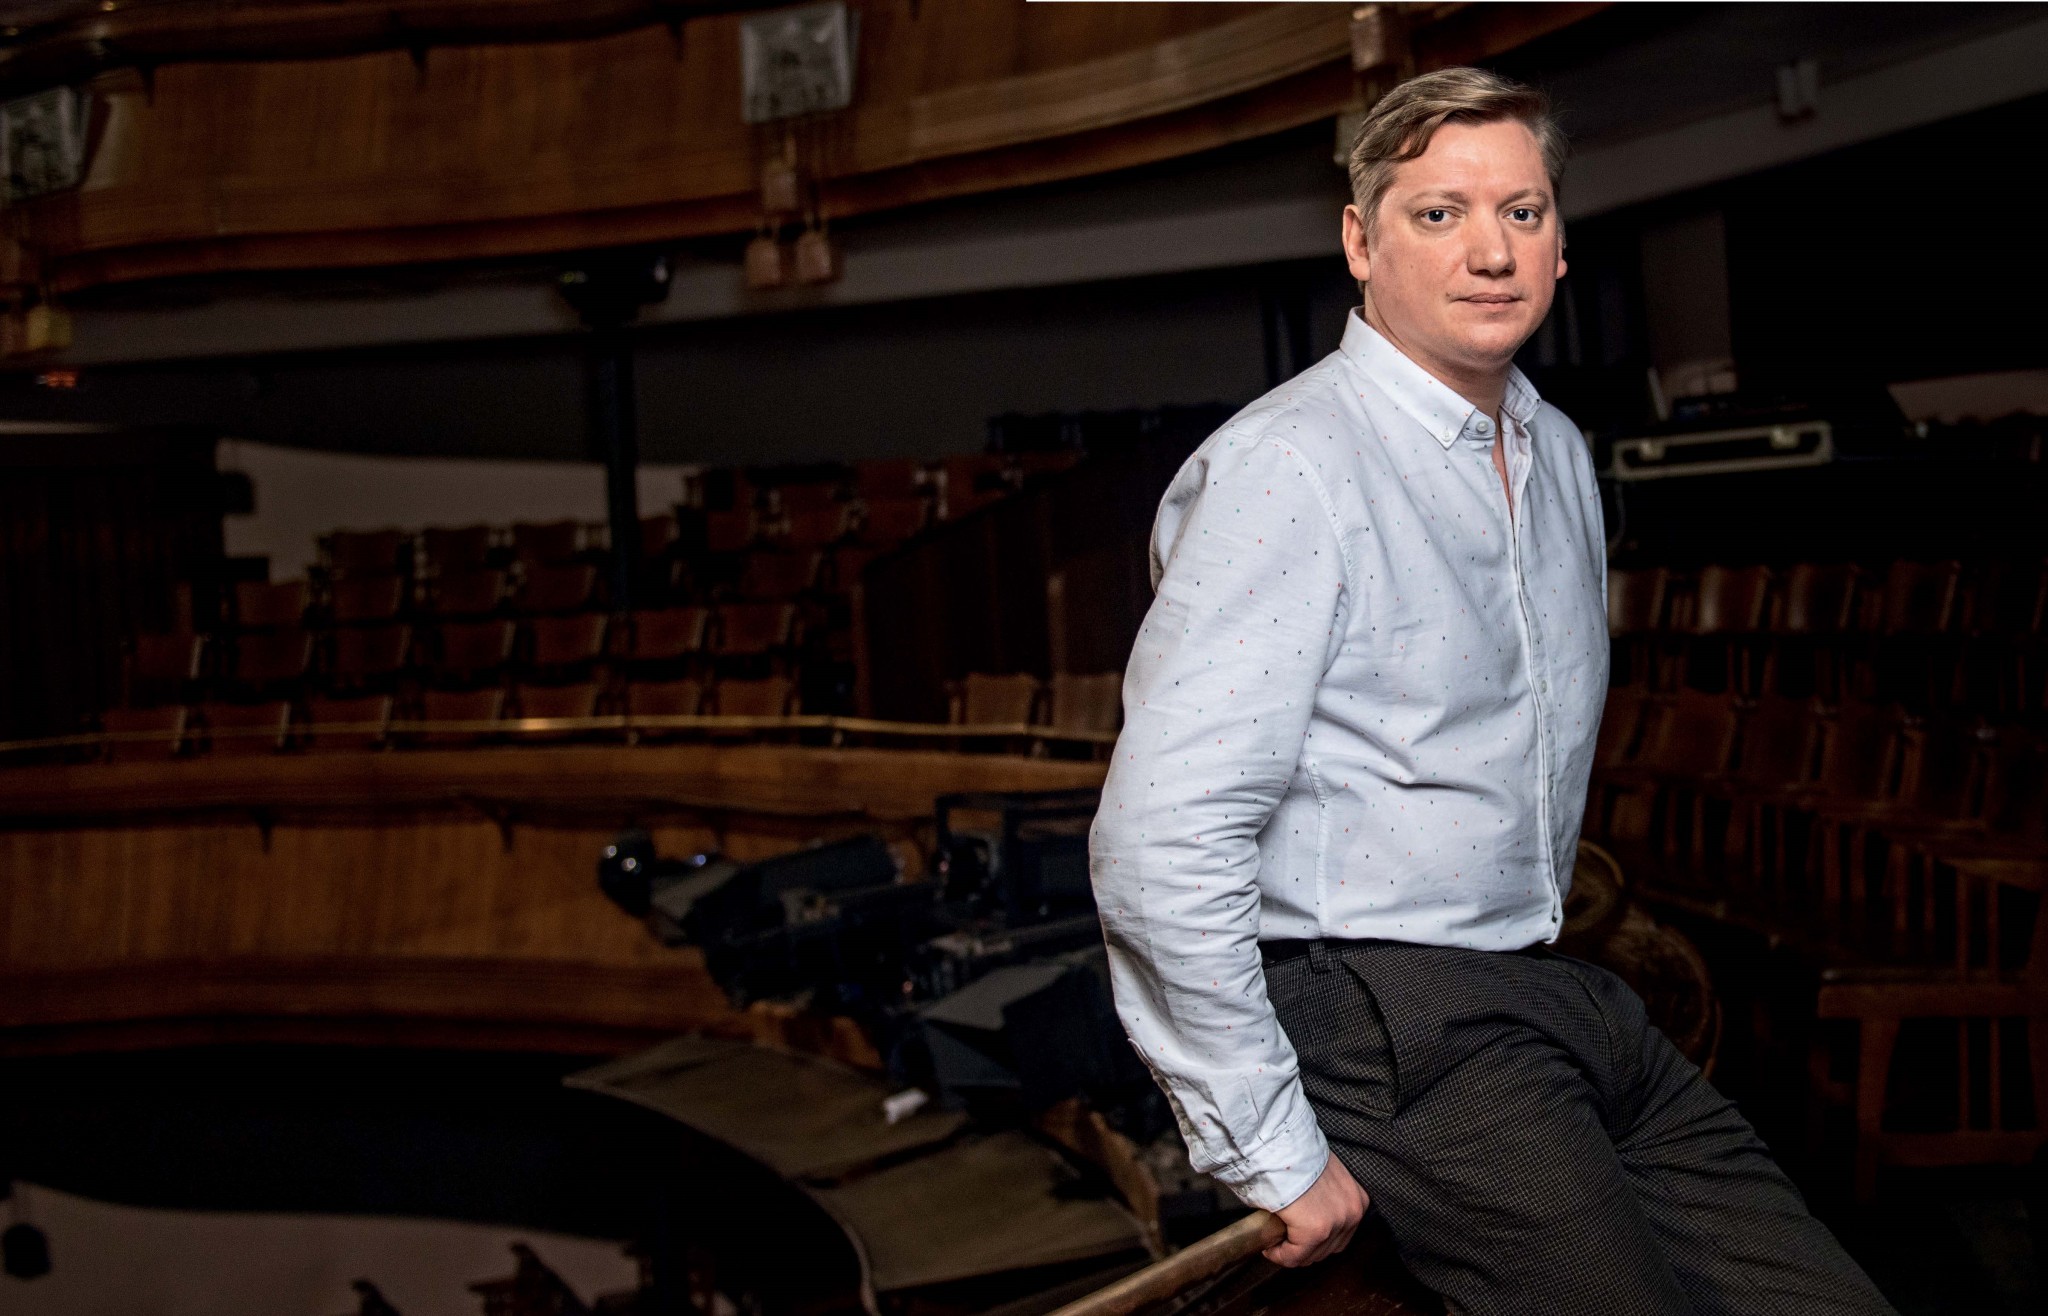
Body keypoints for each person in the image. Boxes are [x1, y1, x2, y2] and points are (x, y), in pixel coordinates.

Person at [1088, 67, 1894, 1315]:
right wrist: (1267, 1142)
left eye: (1520, 211)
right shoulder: (1288, 466)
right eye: (1437, 213)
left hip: (1552, 978)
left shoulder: (1555, 448)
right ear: (1358, 242)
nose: (1489, 251)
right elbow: (1156, 840)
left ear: (1559, 243)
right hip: (1379, 1003)